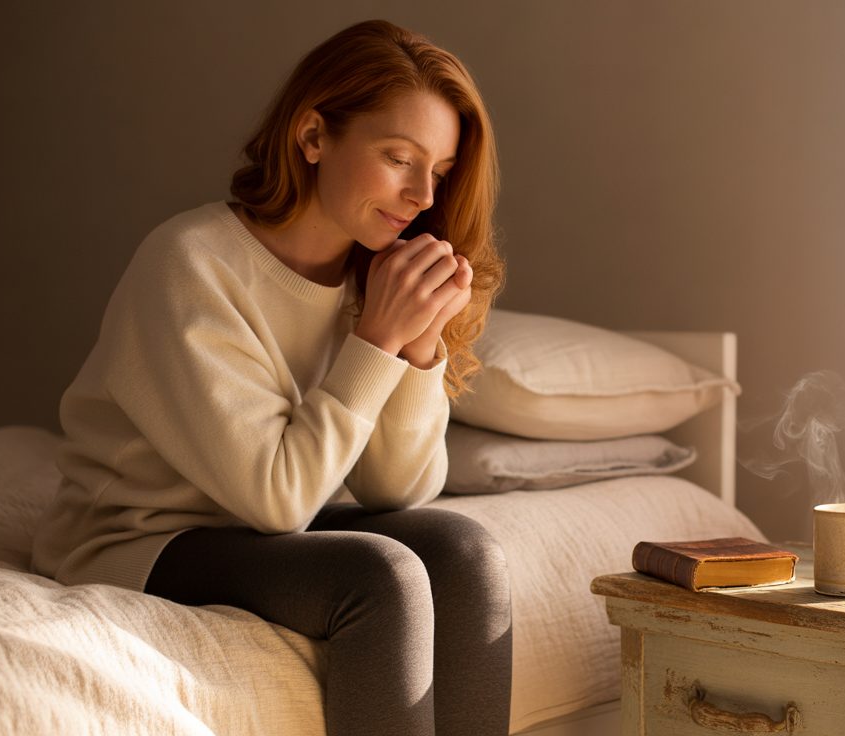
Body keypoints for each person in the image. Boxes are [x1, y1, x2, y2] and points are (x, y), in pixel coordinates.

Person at [31, 19, 510, 736]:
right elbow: (277, 498)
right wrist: (375, 338)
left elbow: (396, 491)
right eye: (398, 158)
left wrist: (415, 345)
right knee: (381, 579)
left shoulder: (370, 276)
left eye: (438, 172)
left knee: (467, 553)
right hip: (144, 537)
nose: (420, 194)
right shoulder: (191, 263)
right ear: (313, 136)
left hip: (262, 529)